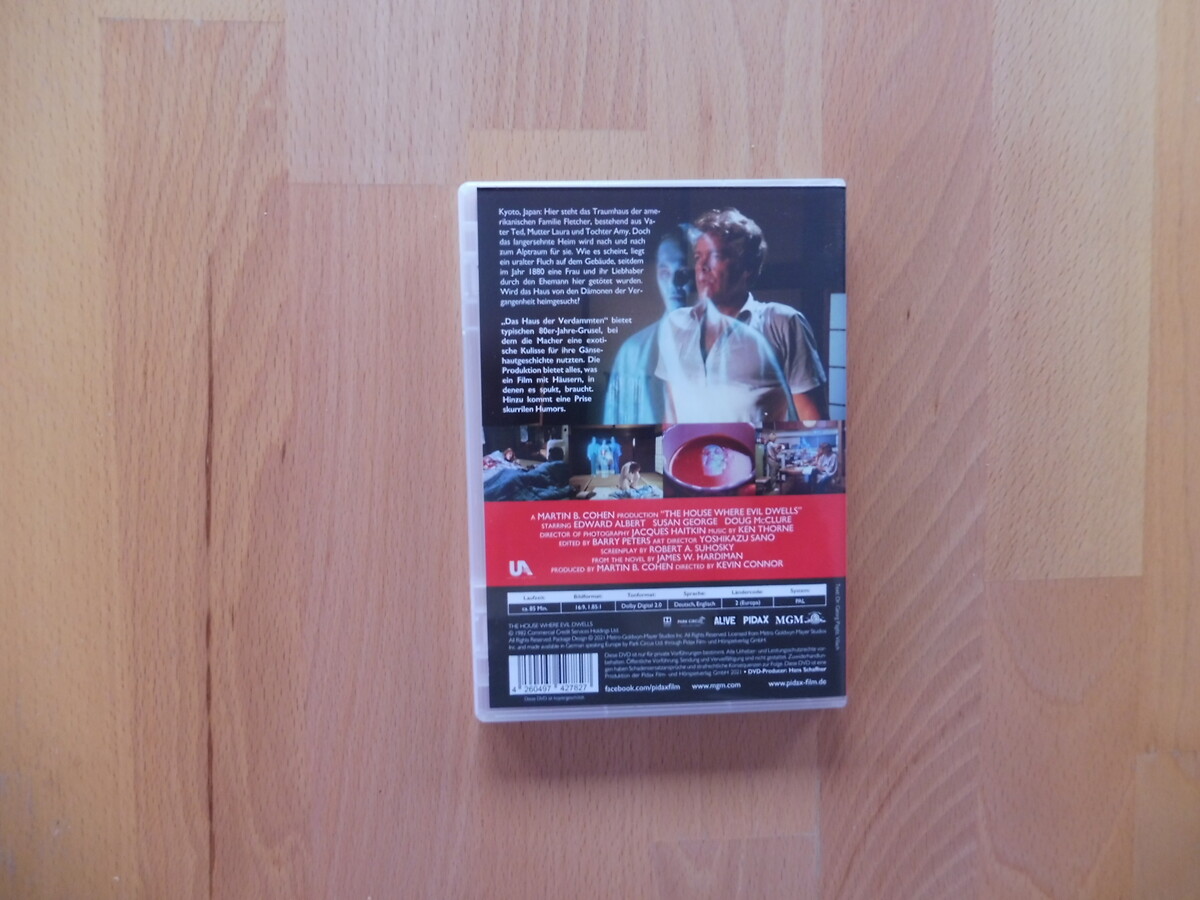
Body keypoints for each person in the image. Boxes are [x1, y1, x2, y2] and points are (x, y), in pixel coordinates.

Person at [688, 208, 827, 420]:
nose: (702, 267)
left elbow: (813, 419)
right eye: (698, 257)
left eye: (715, 256)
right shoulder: (680, 325)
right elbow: (672, 413)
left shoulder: (781, 322)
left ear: (747, 268)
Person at [602, 225, 696, 424]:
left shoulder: (731, 347)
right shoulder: (631, 352)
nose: (674, 284)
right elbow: (614, 425)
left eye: (682, 272)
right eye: (665, 272)